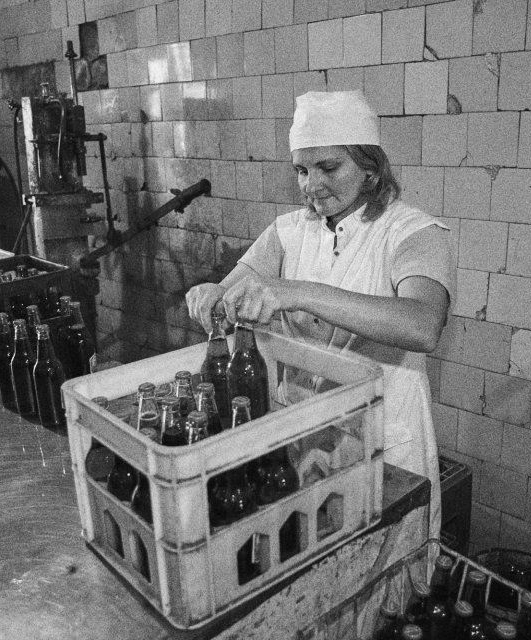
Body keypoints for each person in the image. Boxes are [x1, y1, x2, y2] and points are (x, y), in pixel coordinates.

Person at [186, 90, 456, 539]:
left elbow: (423, 325)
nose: (311, 186)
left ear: (370, 168)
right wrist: (213, 296)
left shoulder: (413, 232)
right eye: (302, 170)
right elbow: (232, 297)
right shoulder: (288, 232)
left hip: (381, 445)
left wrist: (299, 293)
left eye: (328, 167)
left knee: (378, 562)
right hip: (299, 439)